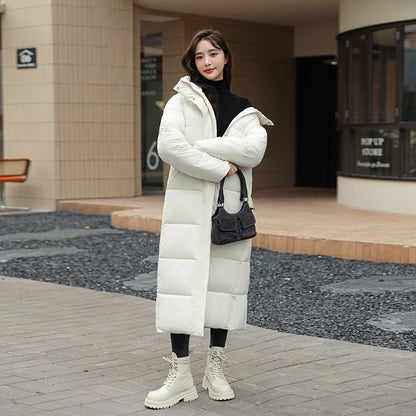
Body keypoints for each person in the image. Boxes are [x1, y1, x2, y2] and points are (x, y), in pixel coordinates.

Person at [144, 28, 273, 409]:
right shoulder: (178, 104)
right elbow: (170, 147)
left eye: (213, 54)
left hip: (229, 211)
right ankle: (180, 374)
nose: (207, 62)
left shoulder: (245, 108)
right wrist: (221, 167)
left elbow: (254, 150)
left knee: (223, 287)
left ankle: (214, 369)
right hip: (187, 211)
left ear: (225, 57)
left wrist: (199, 146)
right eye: (200, 56)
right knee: (180, 286)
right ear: (193, 62)